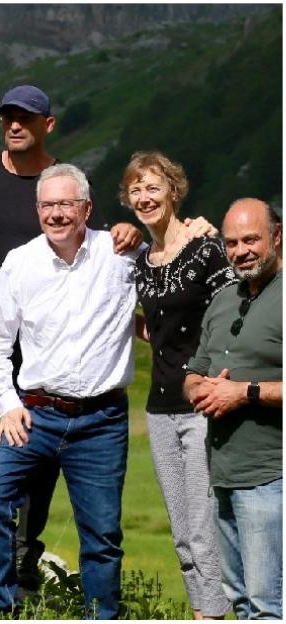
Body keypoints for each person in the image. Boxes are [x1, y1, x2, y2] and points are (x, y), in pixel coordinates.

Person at [0, 84, 144, 584]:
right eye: (7, 116)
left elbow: (100, 248)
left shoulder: (62, 186)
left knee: (41, 449)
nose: (14, 124)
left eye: (25, 116)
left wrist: (132, 232)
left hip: (49, 344)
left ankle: (24, 545)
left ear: (47, 124)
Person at [0, 163, 138, 619]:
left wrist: (153, 231)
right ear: (37, 209)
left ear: (87, 207)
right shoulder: (20, 262)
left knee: (102, 534)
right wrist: (7, 403)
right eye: (48, 205)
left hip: (101, 421)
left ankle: (102, 615)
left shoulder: (120, 253)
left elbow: (172, 260)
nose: (56, 213)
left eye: (66, 204)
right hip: (35, 413)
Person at [122, 151, 235, 619]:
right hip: (160, 408)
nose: (145, 197)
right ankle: (203, 611)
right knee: (183, 533)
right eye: (136, 190)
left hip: (203, 403)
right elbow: (154, 326)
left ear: (173, 190)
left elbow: (232, 316)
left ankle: (221, 612)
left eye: (153, 187)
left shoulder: (205, 247)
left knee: (206, 527)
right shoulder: (141, 263)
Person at [184, 198, 283, 621]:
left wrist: (245, 392)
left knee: (268, 606)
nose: (240, 250)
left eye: (251, 239)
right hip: (222, 473)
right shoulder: (223, 299)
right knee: (239, 603)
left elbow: (242, 390)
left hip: (270, 475)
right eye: (231, 243)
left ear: (277, 237)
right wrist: (201, 390)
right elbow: (194, 372)